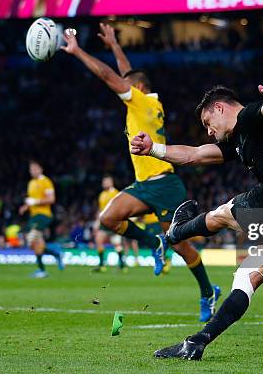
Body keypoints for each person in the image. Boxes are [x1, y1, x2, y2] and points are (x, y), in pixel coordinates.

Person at [130, 84, 263, 360]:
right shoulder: (240, 140)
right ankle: (196, 343)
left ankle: (175, 232)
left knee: (223, 212)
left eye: (208, 122)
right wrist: (153, 149)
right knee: (246, 278)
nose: (208, 130)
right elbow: (195, 154)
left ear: (219, 108)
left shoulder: (249, 117)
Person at [61, 23, 219, 321]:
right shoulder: (148, 102)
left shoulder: (141, 101)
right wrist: (114, 46)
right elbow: (126, 73)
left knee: (182, 247)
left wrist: (78, 50)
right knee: (108, 218)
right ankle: (154, 243)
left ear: (138, 89)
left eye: (129, 87)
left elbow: (110, 77)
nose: (125, 89)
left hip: (166, 185)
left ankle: (208, 293)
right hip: (144, 184)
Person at [19, 160, 63, 278]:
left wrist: (36, 202)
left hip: (44, 215)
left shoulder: (46, 182)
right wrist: (25, 207)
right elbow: (31, 199)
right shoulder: (31, 183)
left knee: (31, 239)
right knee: (36, 244)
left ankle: (42, 270)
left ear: (41, 169)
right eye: (31, 169)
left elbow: (51, 199)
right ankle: (55, 254)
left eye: (34, 168)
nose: (32, 171)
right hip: (34, 216)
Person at [93, 175, 127, 272]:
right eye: (104, 182)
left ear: (111, 182)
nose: (105, 183)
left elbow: (120, 207)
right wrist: (96, 221)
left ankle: (122, 264)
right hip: (103, 222)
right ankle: (102, 265)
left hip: (114, 221)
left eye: (107, 181)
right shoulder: (102, 194)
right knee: (98, 240)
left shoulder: (116, 193)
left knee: (116, 244)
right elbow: (100, 209)